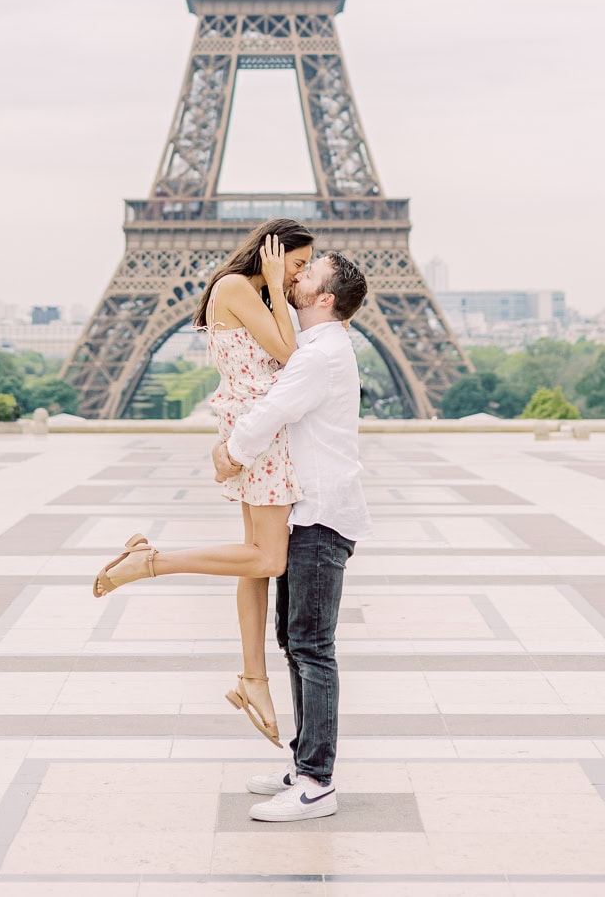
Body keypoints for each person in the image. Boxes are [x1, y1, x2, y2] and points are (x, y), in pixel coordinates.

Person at [92, 218, 315, 745]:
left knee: (254, 560)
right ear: (271, 253)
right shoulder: (237, 287)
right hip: (261, 433)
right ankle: (152, 562)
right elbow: (291, 357)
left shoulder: (250, 294)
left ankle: (254, 679)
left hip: (256, 425)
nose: (299, 276)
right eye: (297, 263)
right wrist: (278, 287)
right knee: (271, 559)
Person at [213, 249, 371, 822]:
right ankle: (305, 762)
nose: (297, 276)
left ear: (325, 298)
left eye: (308, 274)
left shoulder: (319, 356)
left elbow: (271, 410)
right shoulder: (317, 349)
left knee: (311, 647)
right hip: (309, 512)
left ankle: (316, 781)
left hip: (320, 516)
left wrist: (228, 454)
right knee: (296, 640)